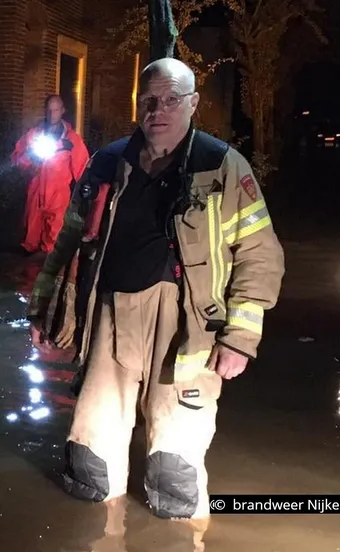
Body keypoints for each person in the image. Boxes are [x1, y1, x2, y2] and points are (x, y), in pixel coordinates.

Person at [27, 58, 285, 519]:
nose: (158, 110)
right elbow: (68, 238)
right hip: (109, 318)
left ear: (193, 104)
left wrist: (241, 338)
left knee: (175, 475)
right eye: (148, 100)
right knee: (90, 466)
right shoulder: (108, 162)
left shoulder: (222, 166)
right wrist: (44, 304)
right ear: (136, 104)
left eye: (171, 100)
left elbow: (259, 254)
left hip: (187, 329)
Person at [12, 95, 90, 255]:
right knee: (30, 239)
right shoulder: (34, 134)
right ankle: (28, 275)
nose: (51, 114)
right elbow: (16, 159)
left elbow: (83, 169)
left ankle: (49, 273)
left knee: (54, 243)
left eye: (55, 110)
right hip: (36, 192)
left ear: (62, 111)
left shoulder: (71, 140)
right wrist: (29, 156)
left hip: (58, 196)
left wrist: (87, 192)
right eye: (48, 110)